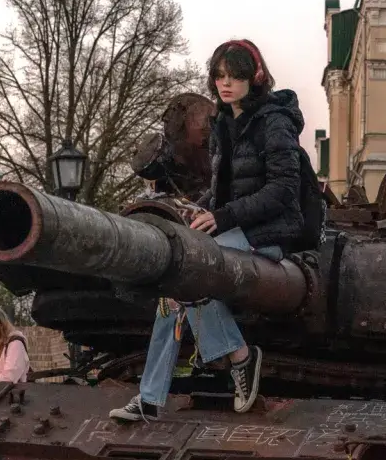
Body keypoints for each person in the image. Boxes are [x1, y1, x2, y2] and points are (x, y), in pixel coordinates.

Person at [112, 39, 305, 423]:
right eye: (219, 76)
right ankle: (155, 396)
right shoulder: (222, 123)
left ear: (257, 76)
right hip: (232, 231)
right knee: (174, 287)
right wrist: (199, 211)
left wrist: (224, 216)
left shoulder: (275, 122)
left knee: (189, 272)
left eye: (235, 76)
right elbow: (220, 192)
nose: (226, 84)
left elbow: (284, 190)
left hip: (268, 234)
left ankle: (238, 358)